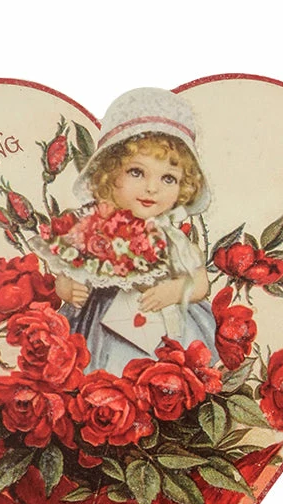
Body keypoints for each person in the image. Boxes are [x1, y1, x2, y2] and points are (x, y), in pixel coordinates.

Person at [36, 87, 217, 376]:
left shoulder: (172, 240)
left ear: (184, 186)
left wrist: (174, 291)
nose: (152, 188)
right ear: (110, 174)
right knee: (101, 376)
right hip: (101, 326)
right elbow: (67, 272)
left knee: (166, 374)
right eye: (137, 172)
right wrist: (69, 290)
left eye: (168, 178)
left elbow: (200, 283)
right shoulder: (94, 230)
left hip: (164, 326)